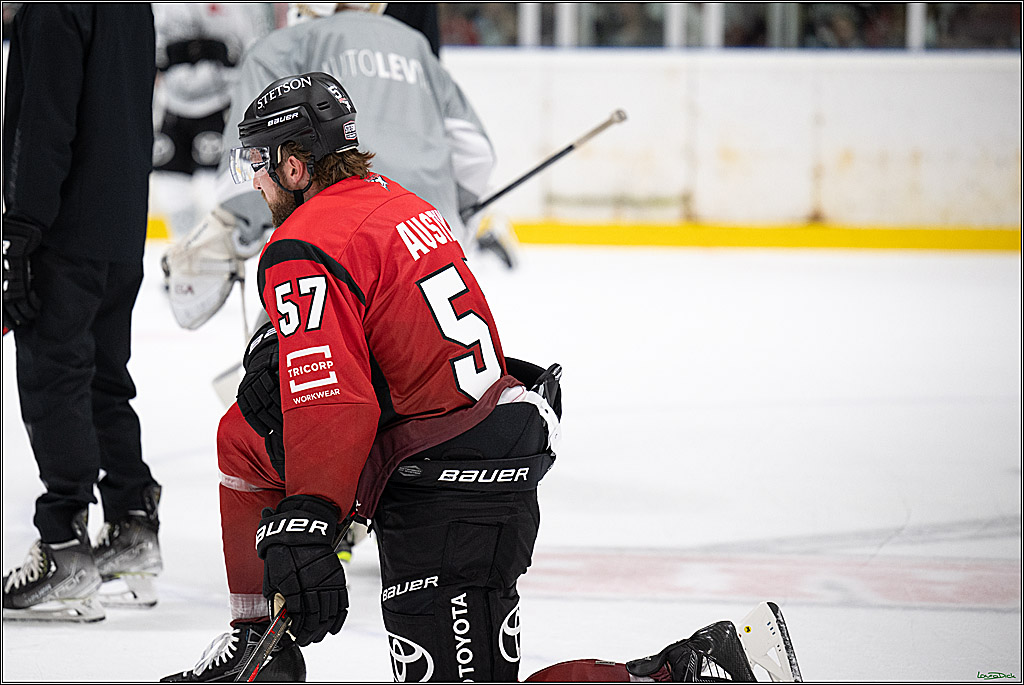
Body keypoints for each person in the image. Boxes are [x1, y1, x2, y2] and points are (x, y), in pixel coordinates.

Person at [159, 72, 801, 684]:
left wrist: (311, 517)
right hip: (490, 444)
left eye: (259, 167)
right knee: (243, 434)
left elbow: (334, 396)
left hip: (447, 479)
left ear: (294, 167)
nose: (259, 185)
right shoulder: (398, 203)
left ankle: (695, 669)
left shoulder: (304, 240)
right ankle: (255, 646)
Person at [163, 2, 511, 331]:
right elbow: (475, 154)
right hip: (432, 242)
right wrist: (454, 212)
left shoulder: (281, 46)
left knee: (281, 375)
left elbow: (247, 170)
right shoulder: (414, 43)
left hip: (332, 246)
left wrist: (239, 228)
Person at [2, 3, 163, 621]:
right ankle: (132, 525)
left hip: (63, 229)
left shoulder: (53, 9)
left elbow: (41, 126)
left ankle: (64, 546)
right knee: (103, 379)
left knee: (54, 373)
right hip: (121, 226)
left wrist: (19, 231)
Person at [150, 2, 273, 240]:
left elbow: (250, 50)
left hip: (219, 105)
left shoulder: (240, 8)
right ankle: (183, 250)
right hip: (172, 105)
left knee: (212, 189)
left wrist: (219, 52)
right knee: (171, 187)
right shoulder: (163, 7)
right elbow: (152, 50)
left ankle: (214, 252)